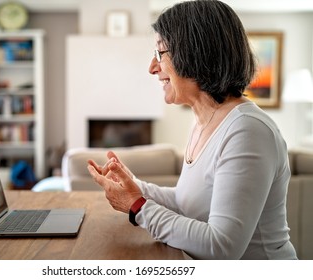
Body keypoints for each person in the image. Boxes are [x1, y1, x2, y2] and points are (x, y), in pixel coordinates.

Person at [87, 0, 297, 260]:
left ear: (194, 53)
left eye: (159, 54)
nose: (152, 68)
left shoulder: (247, 130)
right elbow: (189, 203)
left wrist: (137, 207)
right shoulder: (203, 120)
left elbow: (222, 247)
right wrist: (135, 188)